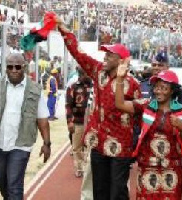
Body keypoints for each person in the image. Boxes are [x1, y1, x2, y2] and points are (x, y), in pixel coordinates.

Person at [55, 16, 141, 200]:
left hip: (120, 146)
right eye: (105, 54)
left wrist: (137, 145)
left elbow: (139, 115)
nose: (105, 57)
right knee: (99, 190)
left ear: (122, 60)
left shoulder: (133, 84)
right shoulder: (98, 71)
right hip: (99, 142)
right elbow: (78, 53)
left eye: (110, 55)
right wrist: (63, 29)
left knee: (118, 191)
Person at [0, 53, 51, 199]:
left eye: (18, 66)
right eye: (10, 67)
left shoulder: (35, 89)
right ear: (6, 68)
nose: (14, 70)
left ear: (24, 67)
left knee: (14, 184)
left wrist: (47, 143)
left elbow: (42, 119)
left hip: (21, 144)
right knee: (1, 181)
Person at [115, 64, 182, 199]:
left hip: (172, 169)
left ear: (172, 90)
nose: (158, 91)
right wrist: (120, 79)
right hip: (147, 166)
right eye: (156, 87)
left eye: (164, 88)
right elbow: (120, 104)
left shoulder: (181, 111)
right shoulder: (145, 105)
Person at [65, 67, 92, 178]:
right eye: (82, 73)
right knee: (77, 147)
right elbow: (68, 105)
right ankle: (79, 168)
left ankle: (88, 168)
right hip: (78, 121)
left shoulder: (95, 87)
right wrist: (69, 122)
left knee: (90, 147)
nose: (85, 76)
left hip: (92, 123)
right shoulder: (73, 87)